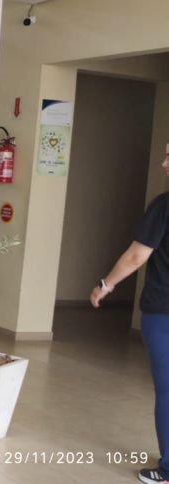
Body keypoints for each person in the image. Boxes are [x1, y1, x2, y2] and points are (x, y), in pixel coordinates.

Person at [91, 142, 169, 484]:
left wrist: (106, 284)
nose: (164, 164)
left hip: (164, 312)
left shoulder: (164, 206)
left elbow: (137, 256)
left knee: (168, 390)